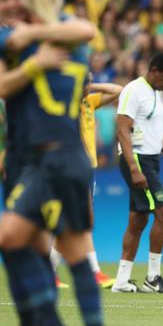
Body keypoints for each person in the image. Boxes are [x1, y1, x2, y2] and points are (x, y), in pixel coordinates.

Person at [0, 0, 110, 326]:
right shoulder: (31, 40)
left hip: (56, 158)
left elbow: (84, 28)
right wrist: (34, 55)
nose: (12, 5)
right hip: (36, 157)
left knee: (19, 239)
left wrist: (31, 42)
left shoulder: (64, 36)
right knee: (47, 246)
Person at [111, 52, 163, 293]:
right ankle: (153, 278)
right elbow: (122, 130)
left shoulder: (157, 96)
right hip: (137, 160)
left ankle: (121, 280)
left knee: (138, 220)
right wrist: (133, 168)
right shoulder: (133, 90)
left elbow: (160, 136)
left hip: (150, 159)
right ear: (154, 70)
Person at [49, 78, 123, 289]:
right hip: (71, 166)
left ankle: (51, 272)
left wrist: (92, 86)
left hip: (88, 167)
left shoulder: (89, 102)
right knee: (81, 218)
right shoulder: (64, 106)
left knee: (78, 220)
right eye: (84, 82)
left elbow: (118, 90)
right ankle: (93, 272)